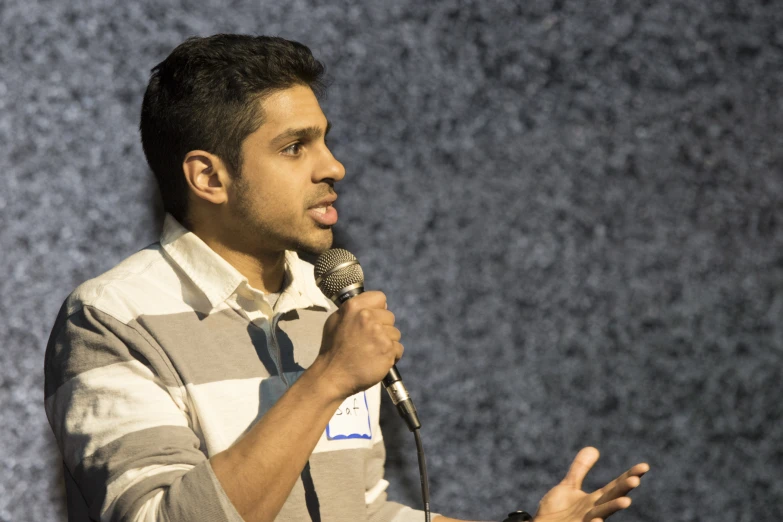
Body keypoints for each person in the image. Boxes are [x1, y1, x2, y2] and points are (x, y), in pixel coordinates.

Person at [44, 34, 648, 522]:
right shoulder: (111, 317)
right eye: (293, 147)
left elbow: (362, 512)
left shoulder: (322, 301)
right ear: (209, 178)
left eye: (325, 140)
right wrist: (328, 377)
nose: (333, 166)